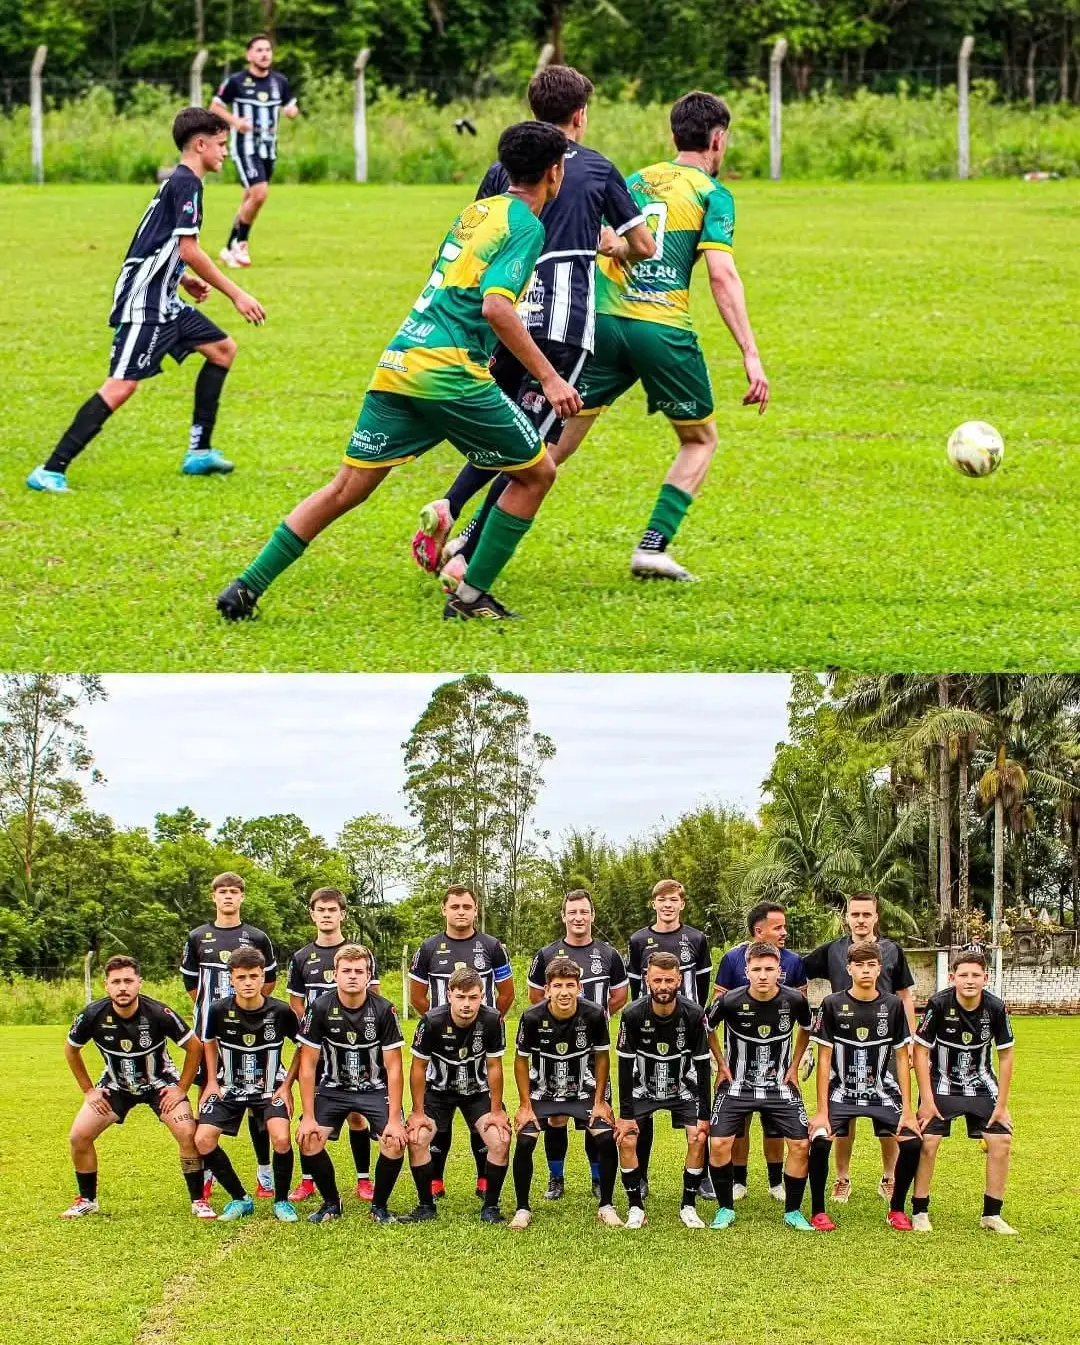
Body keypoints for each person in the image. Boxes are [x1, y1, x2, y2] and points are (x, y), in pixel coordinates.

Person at [217, 121, 580, 624]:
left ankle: (245, 587)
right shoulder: (525, 225)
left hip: (400, 360)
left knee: (346, 489)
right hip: (448, 374)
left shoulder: (476, 213)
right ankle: (471, 597)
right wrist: (549, 377)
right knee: (537, 472)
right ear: (555, 172)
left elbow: (455, 287)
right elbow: (497, 306)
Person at [411, 63, 654, 590]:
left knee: (506, 430)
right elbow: (645, 246)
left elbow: (480, 228)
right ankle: (466, 559)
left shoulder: (505, 169)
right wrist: (611, 243)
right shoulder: (596, 168)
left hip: (506, 318)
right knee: (532, 452)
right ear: (580, 116)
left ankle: (449, 506)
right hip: (563, 327)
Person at [527, 89, 769, 582]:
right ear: (717, 140)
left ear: (673, 134)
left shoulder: (636, 179)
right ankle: (653, 548)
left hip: (603, 324)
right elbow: (721, 275)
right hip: (661, 328)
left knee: (554, 443)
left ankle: (469, 537)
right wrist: (750, 353)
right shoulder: (711, 193)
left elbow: (598, 239)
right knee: (699, 439)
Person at [27, 107, 265, 493]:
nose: (225, 153)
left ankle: (199, 452)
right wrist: (236, 293)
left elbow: (156, 242)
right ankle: (50, 469)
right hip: (145, 302)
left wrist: (182, 280)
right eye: (221, 145)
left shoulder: (181, 182)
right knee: (122, 386)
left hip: (164, 296)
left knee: (222, 349)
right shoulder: (186, 184)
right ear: (200, 144)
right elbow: (188, 248)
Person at [61, 955, 209, 1219]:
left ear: (139, 982)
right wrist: (89, 1091)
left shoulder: (158, 1012)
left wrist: (182, 1088)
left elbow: (194, 1046)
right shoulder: (92, 1014)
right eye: (116, 982)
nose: (122, 987)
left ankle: (199, 1200)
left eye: (128, 980)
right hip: (115, 1086)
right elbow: (71, 1050)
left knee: (187, 1133)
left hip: (160, 1084)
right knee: (78, 1137)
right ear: (106, 986)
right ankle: (88, 1200)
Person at [801, 891, 917, 1204]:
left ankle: (889, 1177)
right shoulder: (833, 951)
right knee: (844, 1117)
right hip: (843, 1046)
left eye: (867, 914)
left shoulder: (892, 950)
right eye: (855, 914)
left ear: (876, 916)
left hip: (885, 1046)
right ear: (847, 917)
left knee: (887, 1118)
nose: (861, 920)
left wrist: (912, 1038)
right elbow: (797, 969)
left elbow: (905, 995)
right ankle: (842, 1178)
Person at [409, 885, 515, 1199]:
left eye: (467, 906)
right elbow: (417, 996)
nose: (461, 912)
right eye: (455, 906)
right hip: (440, 1045)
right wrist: (442, 1029)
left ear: (475, 910)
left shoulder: (492, 946)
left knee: (478, 1109)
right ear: (444, 909)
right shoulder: (429, 948)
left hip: (479, 1044)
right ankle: (435, 1180)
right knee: (438, 1118)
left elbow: (506, 993)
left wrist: (484, 1025)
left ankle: (485, 1180)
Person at [295, 944, 409, 1224]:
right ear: (335, 974)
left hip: (374, 1089)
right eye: (346, 970)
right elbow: (308, 1065)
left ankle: (379, 1208)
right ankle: (332, 1204)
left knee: (394, 1142)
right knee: (309, 1139)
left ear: (369, 976)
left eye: (359, 971)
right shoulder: (320, 1006)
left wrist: (395, 1119)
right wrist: (307, 1116)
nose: (353, 976)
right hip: (333, 1089)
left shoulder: (384, 1010)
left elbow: (394, 1067)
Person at [180, 871, 277, 1198]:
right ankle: (208, 1171)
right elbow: (193, 987)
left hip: (251, 1032)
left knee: (256, 1100)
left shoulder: (257, 937)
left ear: (242, 897)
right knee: (209, 1094)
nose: (228, 897)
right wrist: (218, 1015)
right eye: (222, 892)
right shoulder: (197, 937)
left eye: (233, 892)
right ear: (213, 897)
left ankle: (265, 1172)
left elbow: (268, 985)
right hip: (212, 1033)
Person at [527, 888, 629, 1199]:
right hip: (553, 1052)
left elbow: (620, 995)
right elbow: (535, 998)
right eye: (572, 912)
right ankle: (556, 1179)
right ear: (564, 916)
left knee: (594, 1115)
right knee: (556, 1116)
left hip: (591, 1050)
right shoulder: (546, 954)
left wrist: (595, 1019)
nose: (578, 917)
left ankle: (598, 1179)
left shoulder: (609, 954)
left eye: (584, 912)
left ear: (592, 915)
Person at [706, 942, 813, 1231]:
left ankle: (793, 1211)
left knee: (802, 1145)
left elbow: (807, 1028)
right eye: (756, 969)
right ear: (746, 971)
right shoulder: (729, 1000)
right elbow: (705, 1027)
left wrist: (794, 1066)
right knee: (718, 1143)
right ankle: (725, 1208)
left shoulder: (795, 1000)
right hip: (737, 1084)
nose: (763, 975)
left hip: (779, 1085)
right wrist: (721, 1064)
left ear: (780, 971)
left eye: (769, 969)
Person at [911, 947, 1017, 1235]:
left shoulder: (995, 1007)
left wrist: (1002, 1104)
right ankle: (920, 1210)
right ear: (952, 977)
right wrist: (926, 1100)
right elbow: (919, 1052)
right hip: (942, 1082)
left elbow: (1006, 1056)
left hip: (981, 1083)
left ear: (986, 978)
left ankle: (991, 1215)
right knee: (929, 1141)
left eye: (975, 975)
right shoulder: (938, 1004)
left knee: (1001, 1142)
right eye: (963, 975)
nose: (969, 980)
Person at [511, 957, 620, 1228]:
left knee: (605, 1137)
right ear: (547, 989)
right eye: (557, 985)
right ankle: (523, 1208)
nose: (564, 992)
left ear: (579, 987)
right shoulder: (532, 1017)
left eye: (570, 985)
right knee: (525, 1141)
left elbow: (603, 1058)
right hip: (543, 1092)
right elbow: (520, 1060)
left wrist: (601, 1101)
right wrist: (525, 1104)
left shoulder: (594, 1014)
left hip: (582, 1090)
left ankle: (606, 1204)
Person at [286, 887, 379, 1202]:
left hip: (355, 1047)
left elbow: (374, 998)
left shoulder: (360, 953)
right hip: (316, 1046)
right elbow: (296, 1004)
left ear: (342, 913)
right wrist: (314, 1033)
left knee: (357, 1113)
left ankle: (363, 1179)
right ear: (312, 914)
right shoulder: (301, 957)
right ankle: (308, 1178)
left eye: (332, 910)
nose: (327, 915)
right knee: (309, 1110)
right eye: (321, 910)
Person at [194, 947, 300, 1222]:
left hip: (270, 1087)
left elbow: (303, 1048)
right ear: (231, 979)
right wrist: (210, 1083)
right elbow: (208, 1041)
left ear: (263, 976)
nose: (248, 982)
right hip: (228, 1085)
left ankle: (281, 1201)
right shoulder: (218, 1010)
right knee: (203, 1139)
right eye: (241, 977)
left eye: (254, 976)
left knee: (281, 1138)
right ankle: (240, 1199)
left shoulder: (281, 1011)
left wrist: (286, 1085)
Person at [625, 878, 712, 1197]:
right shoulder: (638, 940)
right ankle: (642, 1175)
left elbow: (702, 986)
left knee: (693, 1100)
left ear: (682, 904)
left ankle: (701, 1177)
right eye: (662, 900)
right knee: (642, 1104)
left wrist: (694, 1018)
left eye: (674, 900)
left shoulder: (696, 938)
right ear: (654, 904)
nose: (668, 905)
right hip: (648, 1030)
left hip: (686, 1031)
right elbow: (635, 989)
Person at [404, 966, 512, 1223]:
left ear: (482, 997)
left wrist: (497, 1112)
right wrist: (418, 1113)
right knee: (417, 1138)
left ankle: (491, 1207)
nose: (466, 1004)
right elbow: (418, 1068)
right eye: (461, 997)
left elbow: (494, 1066)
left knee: (501, 1139)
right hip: (438, 1092)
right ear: (449, 995)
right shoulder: (431, 1021)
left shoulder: (493, 1019)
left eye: (473, 997)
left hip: (477, 1091)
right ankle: (426, 1206)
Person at [614, 952, 712, 1228]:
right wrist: (625, 1115)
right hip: (642, 1088)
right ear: (647, 980)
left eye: (669, 980)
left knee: (698, 1137)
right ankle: (635, 1207)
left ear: (679, 979)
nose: (663, 986)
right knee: (627, 1138)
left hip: (682, 1087)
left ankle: (688, 1205)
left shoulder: (693, 1014)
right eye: (657, 980)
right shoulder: (632, 1014)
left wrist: (704, 1114)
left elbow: (703, 1068)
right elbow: (623, 1067)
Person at [211, 34, 299, 268]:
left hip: (268, 148)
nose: (264, 54)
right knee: (259, 193)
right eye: (259, 50)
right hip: (244, 147)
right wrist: (235, 122)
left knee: (250, 198)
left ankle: (228, 247)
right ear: (249, 55)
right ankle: (241, 243)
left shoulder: (279, 82)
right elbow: (215, 107)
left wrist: (292, 111)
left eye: (268, 50)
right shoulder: (236, 81)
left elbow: (291, 105)